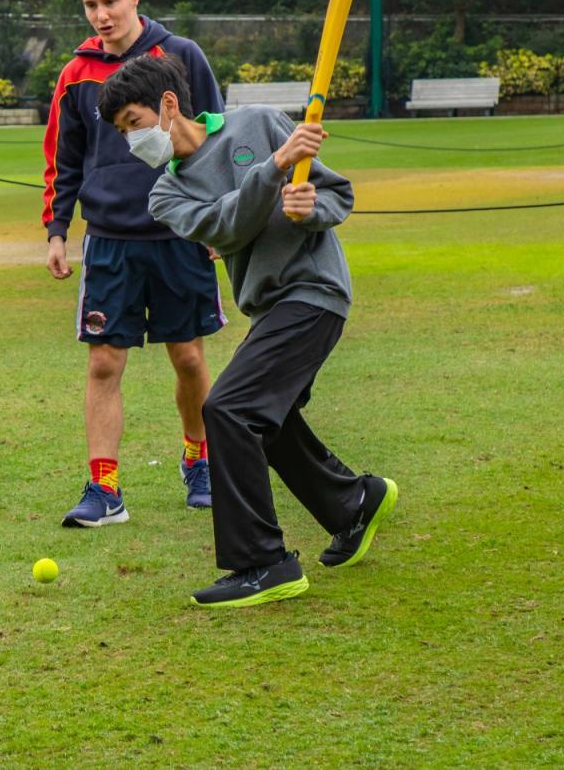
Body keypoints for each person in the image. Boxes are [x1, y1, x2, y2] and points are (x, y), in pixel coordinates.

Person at [97, 53, 398, 607]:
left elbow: (337, 194)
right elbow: (228, 227)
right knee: (263, 417)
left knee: (228, 409)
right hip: (270, 309)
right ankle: (353, 503)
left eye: (133, 123)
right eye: (121, 132)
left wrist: (310, 208)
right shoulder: (166, 195)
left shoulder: (256, 123)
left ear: (168, 105)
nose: (131, 140)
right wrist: (276, 166)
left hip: (314, 292)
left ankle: (263, 562)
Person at [42, 0, 227, 527]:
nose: (101, 15)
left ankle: (200, 462)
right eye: (90, 5)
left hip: (180, 233)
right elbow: (63, 158)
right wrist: (56, 230)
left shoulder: (182, 56)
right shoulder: (75, 74)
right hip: (110, 240)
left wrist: (219, 218)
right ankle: (104, 491)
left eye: (110, 2)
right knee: (103, 364)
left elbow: (215, 137)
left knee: (189, 357)